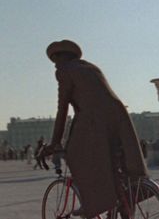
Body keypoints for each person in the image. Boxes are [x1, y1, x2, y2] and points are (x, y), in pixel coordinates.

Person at [42, 40, 148, 218]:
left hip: (94, 118)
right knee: (119, 163)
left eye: (55, 61)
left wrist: (55, 143)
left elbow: (62, 109)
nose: (55, 65)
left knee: (75, 155)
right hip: (119, 115)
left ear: (60, 58)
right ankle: (124, 201)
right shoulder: (91, 68)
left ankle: (92, 204)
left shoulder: (64, 70)